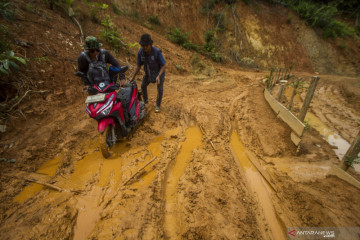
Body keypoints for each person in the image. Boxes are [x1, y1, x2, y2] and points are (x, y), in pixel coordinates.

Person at [130, 34, 166, 113]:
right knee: (143, 85)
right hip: (148, 72)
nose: (145, 47)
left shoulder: (157, 52)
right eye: (143, 45)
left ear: (150, 44)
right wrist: (132, 77)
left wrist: (159, 76)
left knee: (160, 89)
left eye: (146, 45)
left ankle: (158, 105)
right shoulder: (140, 52)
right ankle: (145, 101)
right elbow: (138, 66)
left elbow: (163, 65)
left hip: (159, 72)